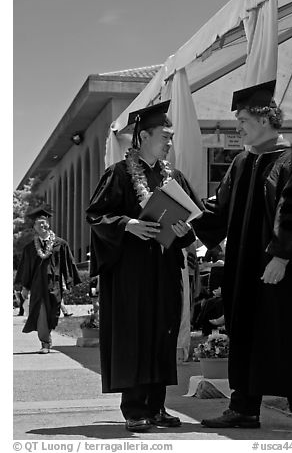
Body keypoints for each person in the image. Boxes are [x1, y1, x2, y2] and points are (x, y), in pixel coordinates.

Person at [193, 80, 292, 430]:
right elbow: (220, 212)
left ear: (264, 119)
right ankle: (244, 407)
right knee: (244, 332)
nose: (238, 126)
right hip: (243, 267)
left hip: (283, 269)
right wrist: (188, 214)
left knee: (288, 334)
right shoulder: (242, 161)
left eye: (242, 119)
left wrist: (281, 256)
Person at [86, 100, 203, 432]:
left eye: (170, 136)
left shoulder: (173, 177)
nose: (169, 141)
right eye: (164, 135)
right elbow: (96, 216)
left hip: (165, 272)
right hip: (131, 275)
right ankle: (135, 409)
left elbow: (190, 224)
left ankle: (157, 406)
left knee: (162, 335)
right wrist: (127, 224)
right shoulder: (119, 174)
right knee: (135, 337)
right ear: (142, 137)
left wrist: (184, 232)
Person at [14, 207, 81, 353]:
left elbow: (68, 263)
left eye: (44, 222)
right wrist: (25, 287)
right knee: (41, 313)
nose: (42, 225)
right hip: (38, 286)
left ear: (48, 224)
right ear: (34, 227)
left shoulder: (60, 244)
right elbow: (25, 269)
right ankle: (45, 342)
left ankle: (47, 336)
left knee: (53, 313)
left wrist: (69, 281)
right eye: (39, 223)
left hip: (55, 285)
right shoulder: (30, 248)